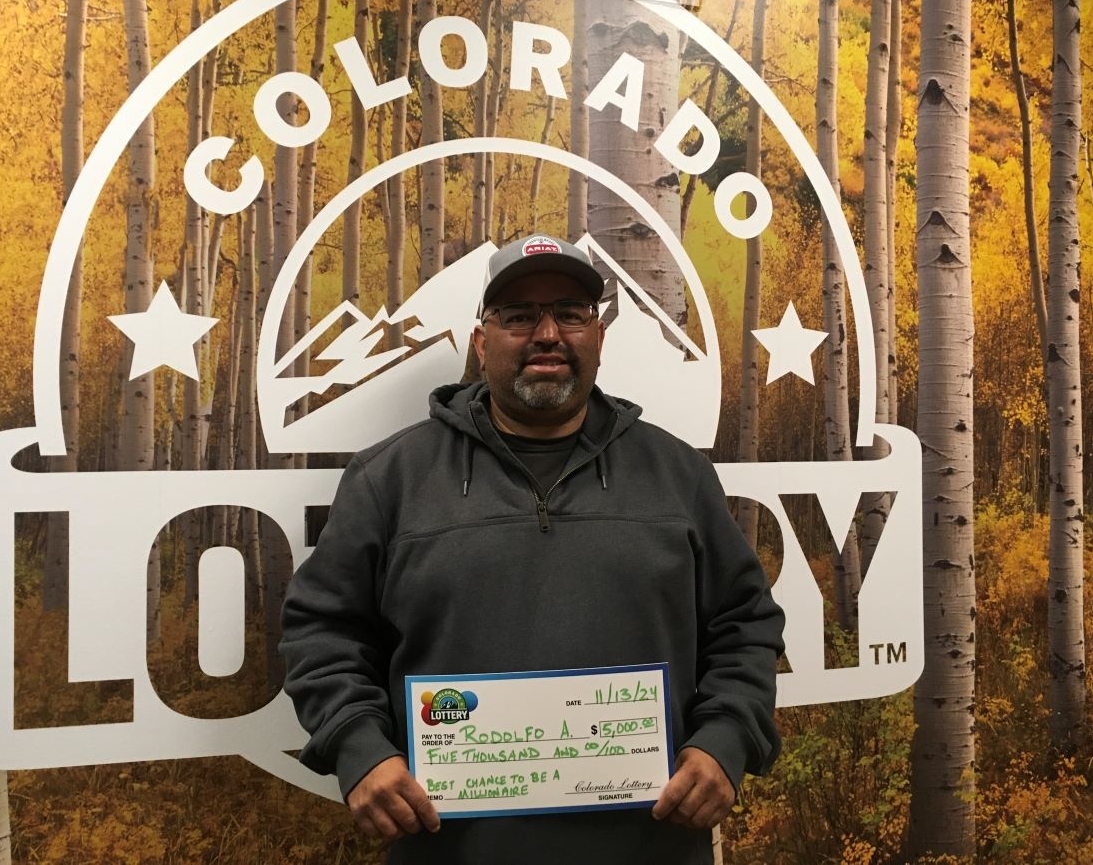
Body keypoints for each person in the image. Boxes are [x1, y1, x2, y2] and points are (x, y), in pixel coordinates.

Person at [281, 234, 785, 864]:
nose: (547, 334)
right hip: (451, 850)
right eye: (519, 316)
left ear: (599, 336)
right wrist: (360, 749)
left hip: (651, 845)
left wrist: (726, 738)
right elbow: (322, 632)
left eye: (570, 313)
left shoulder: (680, 475)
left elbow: (745, 625)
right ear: (480, 341)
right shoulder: (389, 478)